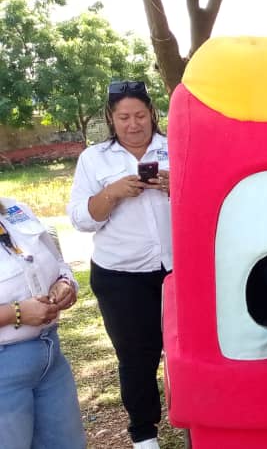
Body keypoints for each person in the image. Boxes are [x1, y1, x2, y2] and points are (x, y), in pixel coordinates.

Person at [67, 80, 171, 448]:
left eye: (140, 115)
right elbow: (81, 218)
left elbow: (208, 201)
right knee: (135, 355)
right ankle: (144, 434)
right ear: (112, 119)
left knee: (184, 347)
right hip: (121, 275)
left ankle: (197, 415)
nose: (133, 124)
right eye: (124, 117)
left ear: (152, 113)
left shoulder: (174, 146)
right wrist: (112, 193)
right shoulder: (94, 159)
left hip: (177, 270)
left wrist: (176, 186)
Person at [0, 199, 86, 448]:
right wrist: (16, 313)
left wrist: (65, 283)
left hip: (50, 357)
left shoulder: (15, 209)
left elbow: (58, 263)